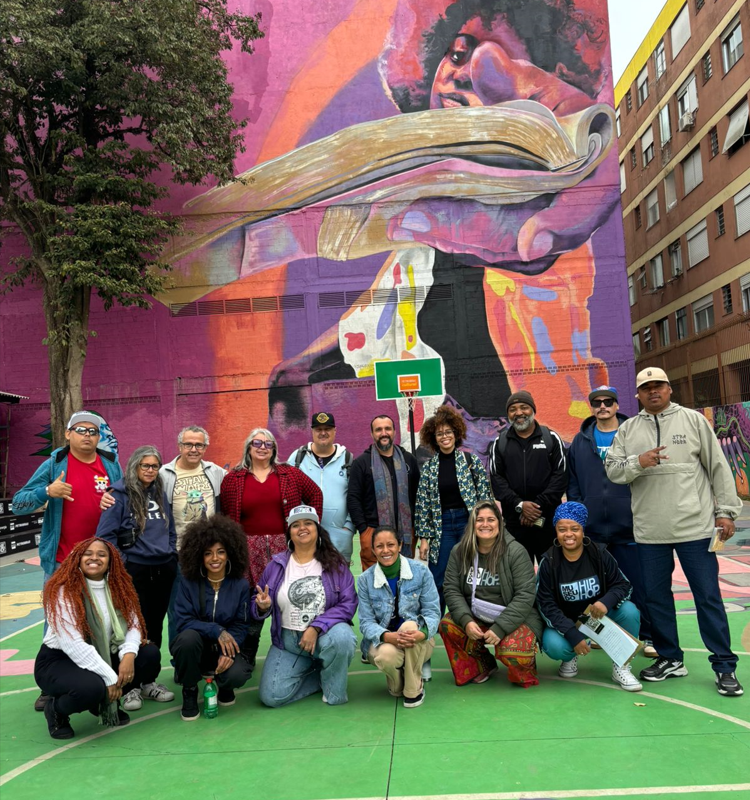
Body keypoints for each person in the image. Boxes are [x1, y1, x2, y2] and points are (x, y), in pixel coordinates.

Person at [606, 367, 744, 697]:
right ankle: (670, 658)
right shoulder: (628, 430)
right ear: (638, 394)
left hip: (695, 528)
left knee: (708, 596)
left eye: (659, 386)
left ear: (669, 389)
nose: (653, 392)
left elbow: (718, 467)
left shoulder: (693, 421)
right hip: (650, 531)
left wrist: (725, 512)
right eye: (646, 388)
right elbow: (613, 470)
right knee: (656, 598)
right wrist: (639, 461)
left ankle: (724, 665)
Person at [13, 410, 122, 711]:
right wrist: (48, 491)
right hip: (62, 562)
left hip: (103, 563)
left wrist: (113, 504)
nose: (88, 436)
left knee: (103, 623)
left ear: (99, 437)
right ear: (68, 434)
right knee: (56, 628)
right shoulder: (53, 465)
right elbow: (18, 503)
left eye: (93, 431)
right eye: (81, 430)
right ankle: (50, 686)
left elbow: (124, 501)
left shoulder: (110, 466)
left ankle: (105, 679)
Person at [34, 538, 161, 739]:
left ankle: (103, 703)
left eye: (102, 554)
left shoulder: (120, 586)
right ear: (77, 558)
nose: (94, 558)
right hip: (59, 660)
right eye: (88, 554)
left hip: (104, 653)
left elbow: (134, 625)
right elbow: (73, 645)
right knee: (91, 687)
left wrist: (128, 655)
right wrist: (109, 678)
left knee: (149, 655)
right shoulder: (63, 590)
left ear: (111, 561)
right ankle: (57, 710)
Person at [220, 428, 323, 666]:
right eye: (257, 442)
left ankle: (304, 650)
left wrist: (311, 528)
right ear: (248, 446)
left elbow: (315, 494)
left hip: (284, 546)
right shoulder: (233, 479)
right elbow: (227, 518)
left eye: (268, 444)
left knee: (291, 595)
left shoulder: (289, 473)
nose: (262, 447)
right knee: (252, 602)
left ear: (274, 449)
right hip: (247, 550)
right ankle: (247, 653)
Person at [567, 385, 654, 656]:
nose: (602, 406)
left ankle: (649, 637)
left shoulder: (634, 435)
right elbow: (573, 484)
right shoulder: (580, 441)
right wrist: (582, 512)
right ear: (591, 407)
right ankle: (596, 635)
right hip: (593, 531)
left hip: (630, 529)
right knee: (594, 587)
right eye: (597, 402)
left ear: (617, 405)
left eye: (608, 402)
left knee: (641, 585)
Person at [252, 505, 357, 707]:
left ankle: (333, 690)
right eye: (296, 525)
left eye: (308, 523)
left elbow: (348, 602)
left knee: (343, 638)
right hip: (289, 642)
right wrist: (262, 607)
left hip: (325, 636)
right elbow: (255, 602)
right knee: (271, 697)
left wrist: (317, 627)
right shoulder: (276, 565)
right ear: (289, 532)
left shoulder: (335, 563)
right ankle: (320, 672)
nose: (302, 528)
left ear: (317, 528)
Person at [96, 446, 177, 709]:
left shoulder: (161, 494)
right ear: (134, 466)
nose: (150, 470)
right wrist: (125, 564)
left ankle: (148, 682)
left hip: (163, 568)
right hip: (136, 571)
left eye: (155, 466)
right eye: (145, 465)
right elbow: (105, 537)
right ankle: (128, 686)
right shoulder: (117, 496)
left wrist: (171, 553)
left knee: (154, 626)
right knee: (131, 627)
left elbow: (171, 529)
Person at [536, 502, 642, 691]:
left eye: (574, 528)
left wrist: (605, 602)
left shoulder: (599, 554)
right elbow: (546, 604)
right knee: (554, 645)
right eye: (562, 529)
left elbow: (623, 584)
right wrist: (572, 634)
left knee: (629, 611)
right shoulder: (549, 562)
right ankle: (570, 656)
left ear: (583, 530)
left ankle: (622, 665)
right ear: (556, 532)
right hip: (568, 620)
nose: (568, 534)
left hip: (596, 618)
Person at [440, 499, 542, 688]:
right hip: (477, 615)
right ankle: (482, 665)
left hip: (515, 618)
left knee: (511, 650)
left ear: (500, 523)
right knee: (448, 625)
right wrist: (466, 620)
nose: (485, 524)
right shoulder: (459, 551)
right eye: (479, 520)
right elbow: (451, 589)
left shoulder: (516, 551)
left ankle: (525, 667)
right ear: (472, 524)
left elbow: (525, 595)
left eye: (491, 519)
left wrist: (500, 628)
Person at [170, 515, 253, 720]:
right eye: (208, 553)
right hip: (197, 648)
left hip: (224, 648)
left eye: (221, 552)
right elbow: (183, 620)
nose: (215, 558)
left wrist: (230, 653)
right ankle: (190, 689)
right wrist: (217, 630)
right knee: (186, 639)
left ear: (230, 554)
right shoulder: (189, 583)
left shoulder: (240, 585)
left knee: (237, 674)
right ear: (199, 555)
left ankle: (224, 684)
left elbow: (241, 624)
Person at [415, 405, 492, 612]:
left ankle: (471, 619)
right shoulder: (430, 468)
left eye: (448, 432)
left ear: (456, 434)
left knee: (471, 574)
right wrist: (424, 539)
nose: (444, 437)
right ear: (434, 438)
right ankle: (434, 622)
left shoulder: (469, 460)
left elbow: (485, 495)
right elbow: (423, 505)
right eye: (439, 434)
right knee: (438, 576)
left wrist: (485, 526)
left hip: (468, 523)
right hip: (442, 528)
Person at [358, 526, 440, 708]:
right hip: (385, 643)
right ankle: (398, 684)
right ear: (373, 550)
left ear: (400, 545)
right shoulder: (365, 580)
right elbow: (365, 623)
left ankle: (413, 690)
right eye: (379, 546)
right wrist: (388, 637)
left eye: (391, 545)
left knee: (410, 627)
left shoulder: (421, 571)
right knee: (385, 656)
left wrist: (423, 633)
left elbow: (433, 612)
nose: (385, 550)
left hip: (418, 641)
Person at [159, 425, 226, 646]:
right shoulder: (164, 474)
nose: (193, 449)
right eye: (188, 444)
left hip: (210, 555)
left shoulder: (215, 472)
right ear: (180, 446)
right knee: (178, 609)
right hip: (178, 553)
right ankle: (181, 660)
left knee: (210, 607)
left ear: (205, 447)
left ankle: (208, 656)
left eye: (199, 444)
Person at [489, 391, 567, 565]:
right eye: (513, 409)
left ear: (533, 410)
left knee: (551, 572)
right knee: (518, 576)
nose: (518, 413)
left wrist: (536, 507)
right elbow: (497, 481)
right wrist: (520, 505)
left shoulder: (551, 439)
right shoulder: (499, 443)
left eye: (524, 407)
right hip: (515, 524)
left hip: (547, 522)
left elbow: (560, 477)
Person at [347, 415, 420, 570]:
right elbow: (353, 498)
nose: (383, 433)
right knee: (374, 582)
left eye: (387, 428)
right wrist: (364, 530)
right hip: (373, 531)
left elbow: (417, 495)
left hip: (405, 532)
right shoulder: (361, 463)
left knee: (405, 576)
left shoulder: (409, 460)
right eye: (378, 429)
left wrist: (414, 526)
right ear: (372, 434)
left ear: (394, 432)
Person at [287, 411, 356, 563]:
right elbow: (286, 494)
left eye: (327, 429)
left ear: (335, 431)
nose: (323, 433)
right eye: (318, 429)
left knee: (339, 582)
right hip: (304, 534)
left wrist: (348, 528)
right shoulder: (297, 458)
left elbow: (356, 496)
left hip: (339, 537)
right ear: (312, 431)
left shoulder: (347, 459)